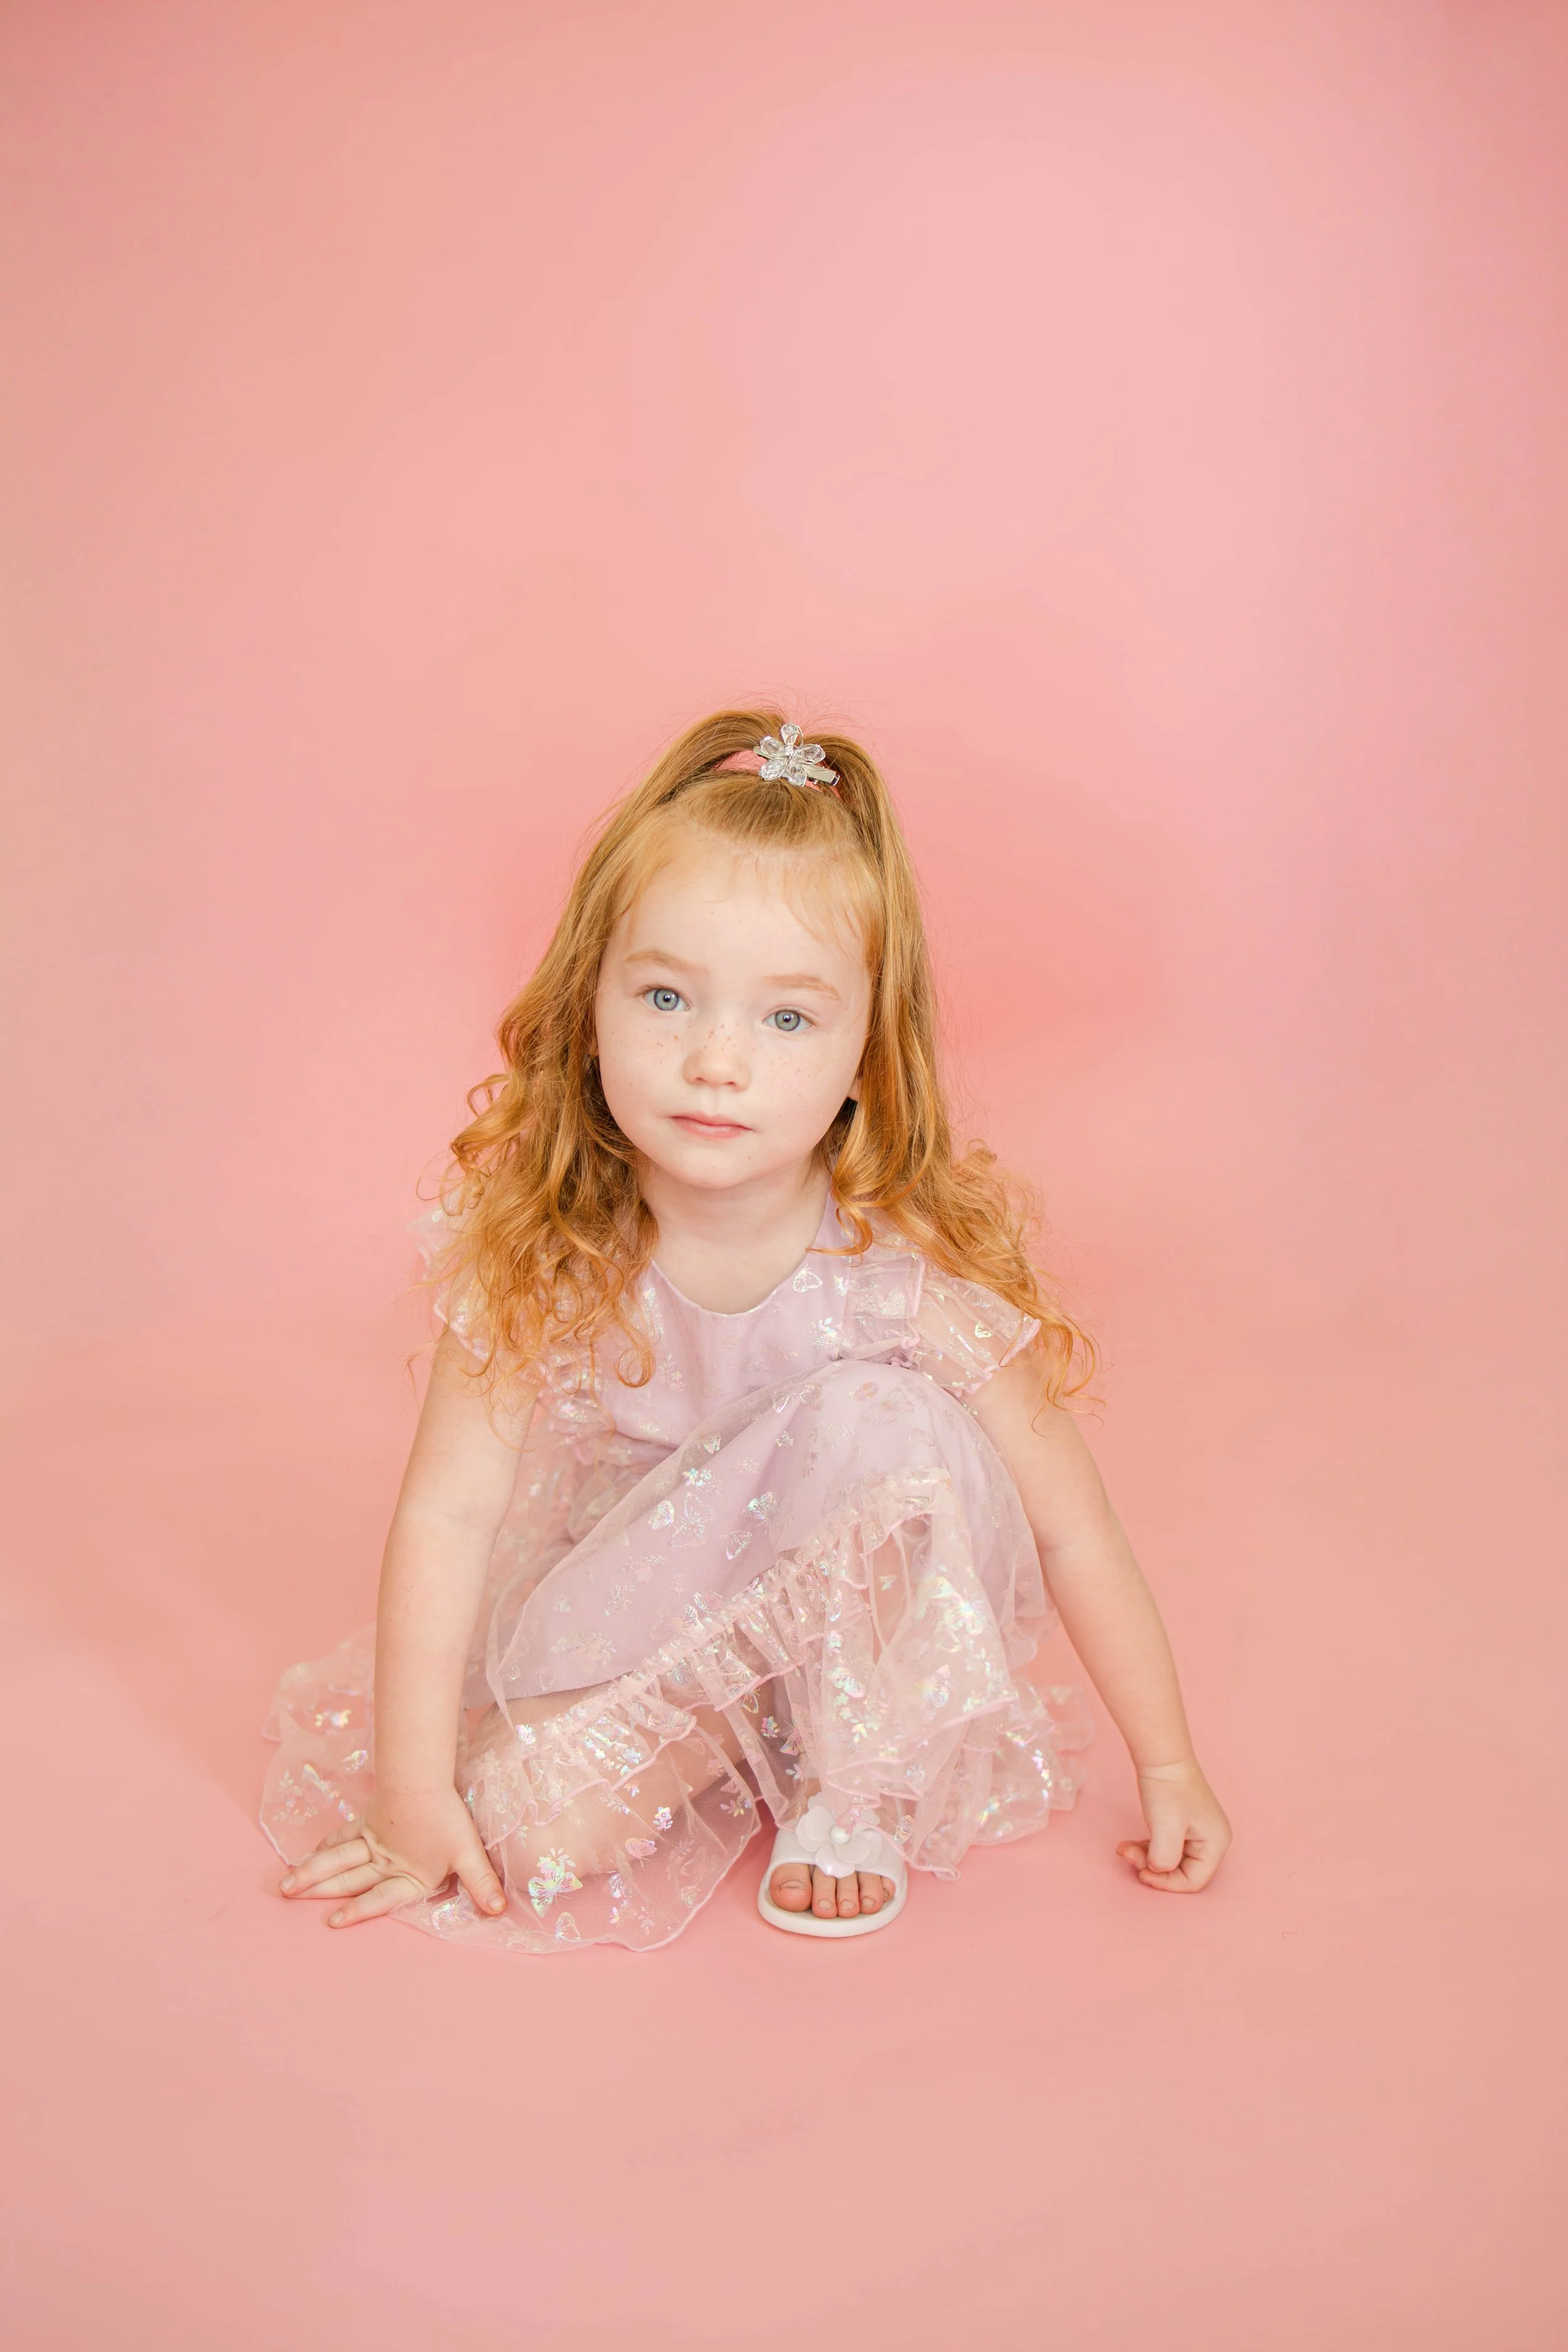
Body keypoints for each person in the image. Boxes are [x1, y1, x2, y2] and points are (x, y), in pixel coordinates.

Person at [263, 710, 1231, 1951]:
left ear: (861, 1064)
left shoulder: (896, 1270)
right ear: (590, 1006)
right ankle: (733, 1708)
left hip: (867, 1615)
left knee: (881, 1417)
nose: (715, 1060)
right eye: (666, 996)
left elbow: (1068, 1524)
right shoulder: (552, 1250)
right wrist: (411, 1795)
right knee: (535, 1842)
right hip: (643, 1598)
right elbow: (447, 1513)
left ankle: (850, 1768)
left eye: (784, 1020)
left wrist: (1165, 1767)